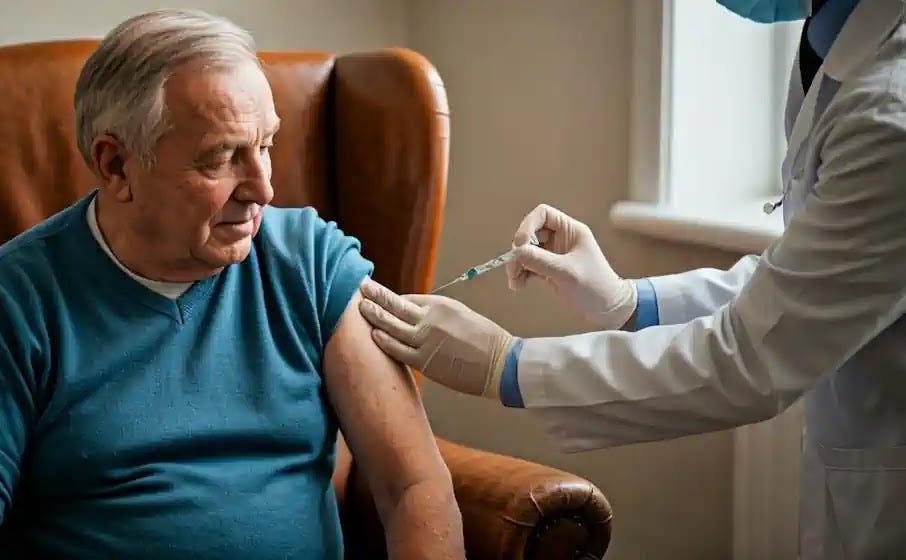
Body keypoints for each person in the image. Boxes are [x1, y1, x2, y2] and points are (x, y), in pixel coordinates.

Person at [0, 9, 464, 560]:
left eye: (265, 145)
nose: (263, 187)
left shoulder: (312, 263)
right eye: (221, 159)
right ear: (115, 166)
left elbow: (413, 486)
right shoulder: (14, 300)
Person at [358, 0, 906, 557]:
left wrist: (510, 365)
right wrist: (630, 303)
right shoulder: (840, 35)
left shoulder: (892, 107)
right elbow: (806, 282)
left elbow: (751, 356)